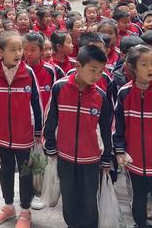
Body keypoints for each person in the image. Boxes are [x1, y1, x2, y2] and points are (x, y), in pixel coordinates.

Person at [43, 45, 112, 228]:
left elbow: (106, 129)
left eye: (100, 71)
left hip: (91, 159)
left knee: (89, 198)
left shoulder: (101, 96)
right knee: (68, 195)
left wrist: (106, 158)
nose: (96, 75)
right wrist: (49, 144)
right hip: (64, 155)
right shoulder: (60, 88)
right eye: (92, 70)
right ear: (78, 66)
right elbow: (50, 118)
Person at [0, 31, 42, 227]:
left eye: (20, 49)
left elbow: (37, 103)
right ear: (1, 52)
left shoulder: (28, 73)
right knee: (5, 169)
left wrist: (38, 131)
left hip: (24, 134)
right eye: (13, 49)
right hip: (1, 133)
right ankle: (8, 207)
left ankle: (25, 212)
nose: (18, 53)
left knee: (25, 172)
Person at [114, 45, 152, 228]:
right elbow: (118, 126)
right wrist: (120, 150)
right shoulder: (124, 92)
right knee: (138, 195)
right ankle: (141, 223)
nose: (150, 69)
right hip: (134, 159)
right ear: (132, 67)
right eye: (144, 64)